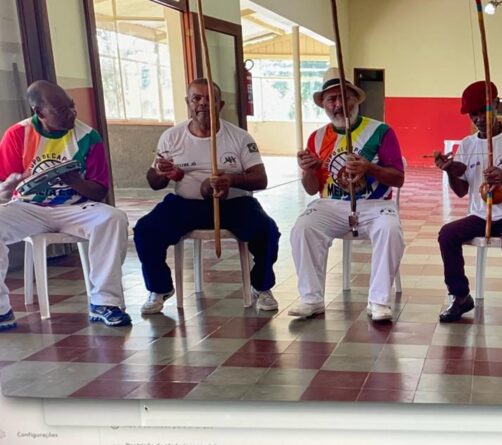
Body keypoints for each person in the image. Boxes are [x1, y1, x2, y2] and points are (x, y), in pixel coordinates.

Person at [134, 79, 281, 314]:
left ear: (220, 104)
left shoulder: (239, 137)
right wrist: (162, 172)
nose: (203, 103)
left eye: (209, 99)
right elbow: (154, 183)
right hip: (185, 204)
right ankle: (159, 288)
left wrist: (231, 180)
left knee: (267, 230)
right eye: (196, 98)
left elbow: (261, 179)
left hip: (234, 204)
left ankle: (261, 286)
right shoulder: (172, 137)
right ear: (188, 103)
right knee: (145, 230)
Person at [0, 80, 131, 329]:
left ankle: (105, 302)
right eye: (61, 110)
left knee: (113, 218)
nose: (71, 113)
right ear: (40, 112)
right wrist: (9, 185)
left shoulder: (87, 137)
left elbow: (100, 191)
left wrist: (75, 181)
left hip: (75, 208)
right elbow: (2, 190)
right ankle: (2, 311)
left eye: (72, 106)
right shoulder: (18, 134)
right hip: (29, 208)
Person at [290, 68, 405, 322]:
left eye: (344, 97)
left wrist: (370, 168)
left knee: (390, 229)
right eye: (331, 99)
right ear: (324, 105)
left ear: (356, 99)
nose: (339, 104)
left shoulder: (381, 131)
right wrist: (308, 170)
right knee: (303, 227)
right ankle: (311, 298)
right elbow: (311, 188)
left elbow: (399, 178)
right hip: (331, 205)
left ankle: (379, 302)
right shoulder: (317, 138)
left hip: (375, 205)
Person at [435, 81, 502, 325]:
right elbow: (462, 191)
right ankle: (460, 296)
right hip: (481, 216)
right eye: (473, 114)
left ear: (496, 104)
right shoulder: (468, 145)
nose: (479, 119)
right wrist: (450, 170)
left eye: (483, 111)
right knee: (447, 234)